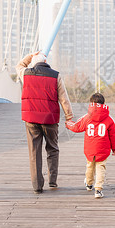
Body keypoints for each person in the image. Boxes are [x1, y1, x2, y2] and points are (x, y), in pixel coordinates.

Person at [16, 52, 73, 194]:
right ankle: (52, 181)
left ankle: (37, 186)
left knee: (34, 151)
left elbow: (19, 65)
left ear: (33, 63)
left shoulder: (26, 74)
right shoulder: (55, 76)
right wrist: (69, 117)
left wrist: (30, 56)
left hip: (31, 119)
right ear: (46, 61)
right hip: (50, 119)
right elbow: (64, 98)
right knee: (52, 148)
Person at [65, 93, 115, 198]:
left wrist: (68, 123)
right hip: (103, 149)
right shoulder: (109, 119)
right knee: (100, 167)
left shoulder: (87, 117)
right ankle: (98, 189)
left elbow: (77, 127)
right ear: (103, 104)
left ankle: (89, 184)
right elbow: (113, 135)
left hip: (90, 148)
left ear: (91, 104)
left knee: (90, 166)